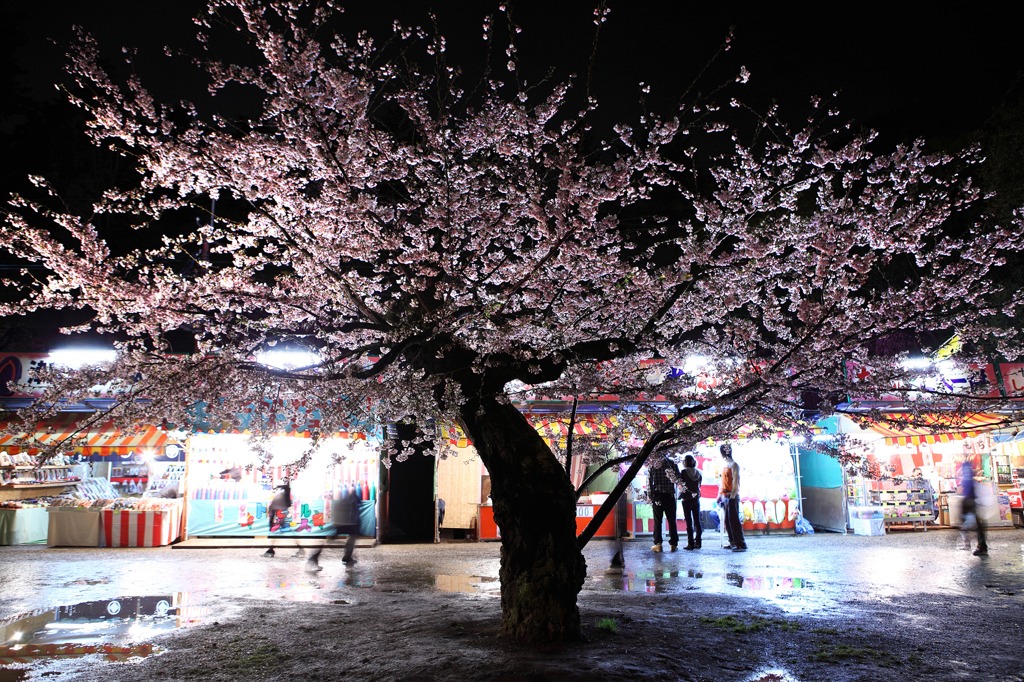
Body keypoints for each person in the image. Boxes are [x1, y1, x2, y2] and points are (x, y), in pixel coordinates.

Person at [306, 485, 361, 571]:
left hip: (340, 523)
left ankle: (314, 557)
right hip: (350, 524)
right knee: (352, 539)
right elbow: (353, 513)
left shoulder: (344, 500)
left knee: (334, 540)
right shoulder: (353, 500)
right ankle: (347, 557)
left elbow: (337, 511)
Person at [717, 443, 746, 552]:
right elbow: (722, 482)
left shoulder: (734, 465)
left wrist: (733, 495)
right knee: (727, 521)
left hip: (731, 495)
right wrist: (720, 494)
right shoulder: (725, 465)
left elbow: (735, 481)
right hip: (725, 495)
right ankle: (732, 541)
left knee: (733, 520)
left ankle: (740, 543)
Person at [647, 455, 680, 552]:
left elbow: (649, 483)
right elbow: (678, 479)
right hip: (669, 496)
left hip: (658, 496)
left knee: (658, 521)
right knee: (672, 521)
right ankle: (673, 544)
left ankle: (658, 544)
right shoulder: (672, 463)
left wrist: (650, 496)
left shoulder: (652, 464)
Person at [958, 458, 987, 556]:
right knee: (977, 525)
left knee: (976, 525)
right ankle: (978, 545)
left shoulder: (967, 474)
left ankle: (977, 546)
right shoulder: (968, 474)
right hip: (970, 500)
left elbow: (968, 488)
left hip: (970, 501)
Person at [262, 479, 293, 558]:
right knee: (283, 533)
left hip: (280, 515)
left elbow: (287, 489)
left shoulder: (284, 493)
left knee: (278, 532)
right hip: (279, 515)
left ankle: (270, 550)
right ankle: (270, 550)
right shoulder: (282, 494)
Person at [679, 454, 703, 550]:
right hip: (696, 498)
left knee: (689, 521)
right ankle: (698, 542)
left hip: (686, 499)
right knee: (697, 520)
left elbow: (681, 485)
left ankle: (690, 543)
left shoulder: (683, 472)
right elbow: (699, 485)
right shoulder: (698, 472)